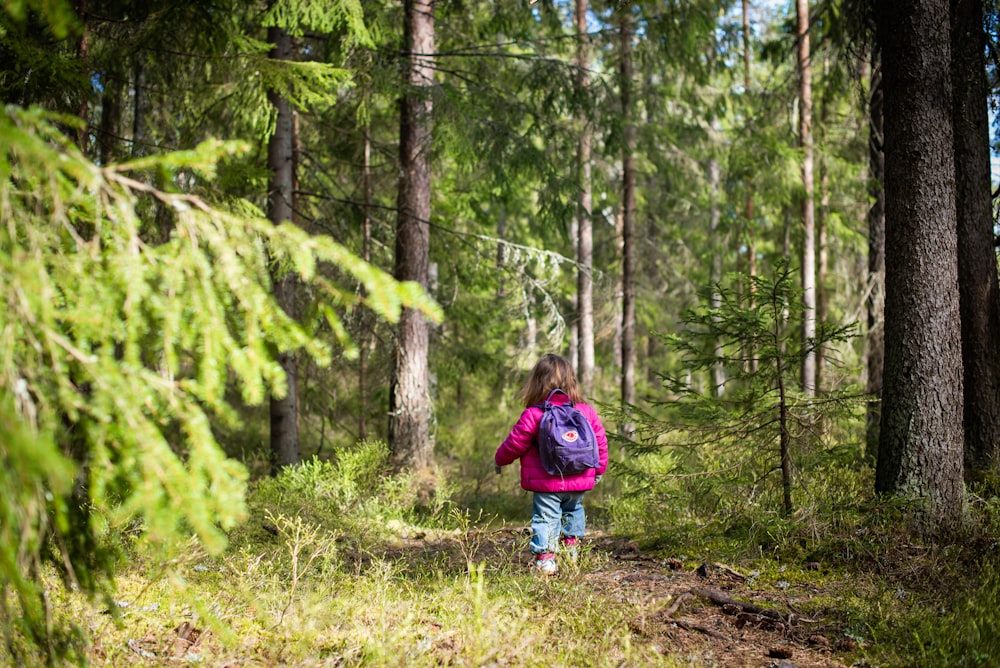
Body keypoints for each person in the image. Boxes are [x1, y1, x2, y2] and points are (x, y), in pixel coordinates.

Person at [494, 353, 609, 575]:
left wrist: (500, 460)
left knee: (546, 518)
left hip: (546, 482)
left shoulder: (534, 414)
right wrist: (599, 469)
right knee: (573, 511)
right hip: (579, 479)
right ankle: (571, 552)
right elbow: (600, 443)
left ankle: (546, 560)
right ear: (572, 381)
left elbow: (514, 444)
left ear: (536, 383)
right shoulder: (585, 411)